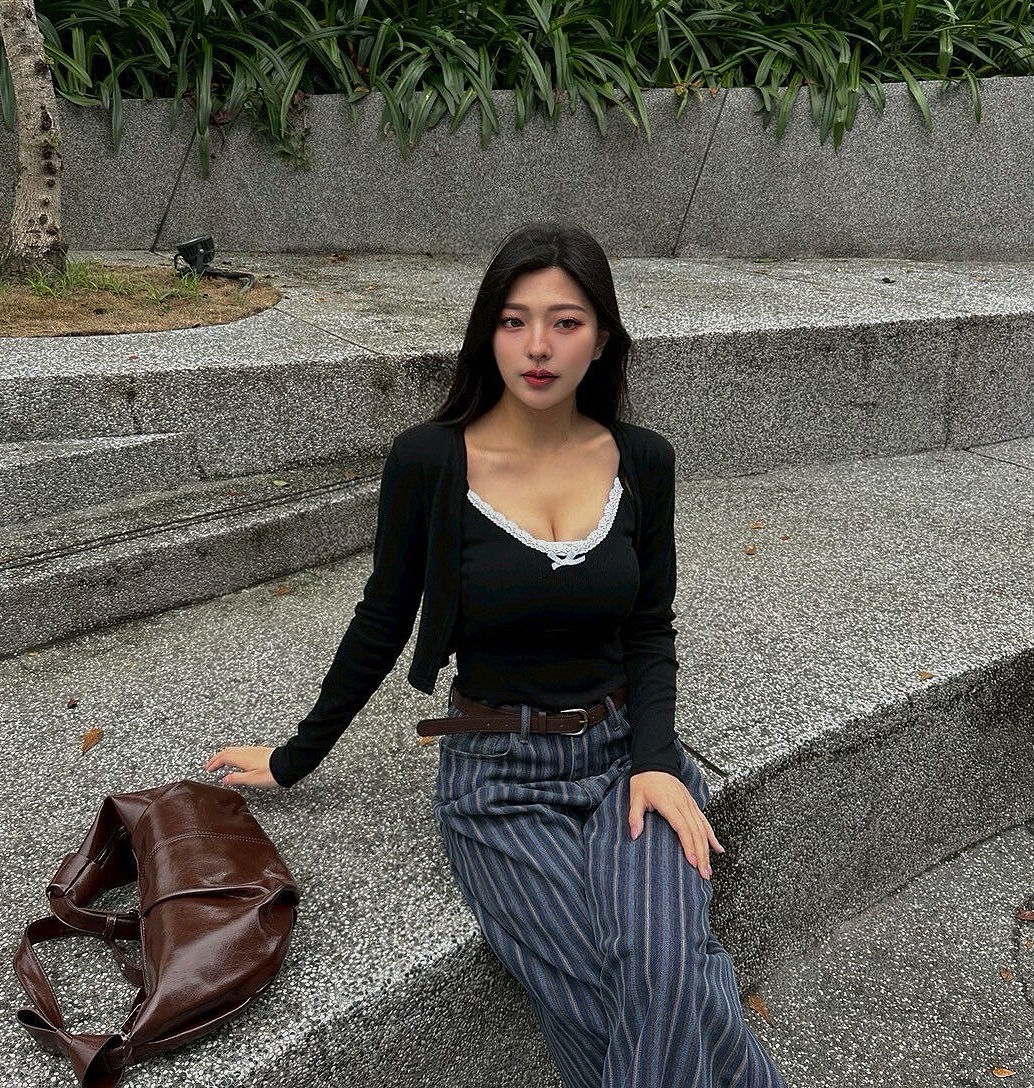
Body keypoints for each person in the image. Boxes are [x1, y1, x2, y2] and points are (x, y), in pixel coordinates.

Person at [206, 221, 789, 1088]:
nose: (538, 347)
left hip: (625, 759)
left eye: (566, 322)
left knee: (666, 963)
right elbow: (382, 618)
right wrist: (296, 757)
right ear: (488, 333)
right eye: (515, 321)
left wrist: (657, 761)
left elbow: (649, 629)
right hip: (498, 778)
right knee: (616, 983)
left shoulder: (643, 461)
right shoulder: (430, 462)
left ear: (603, 339)